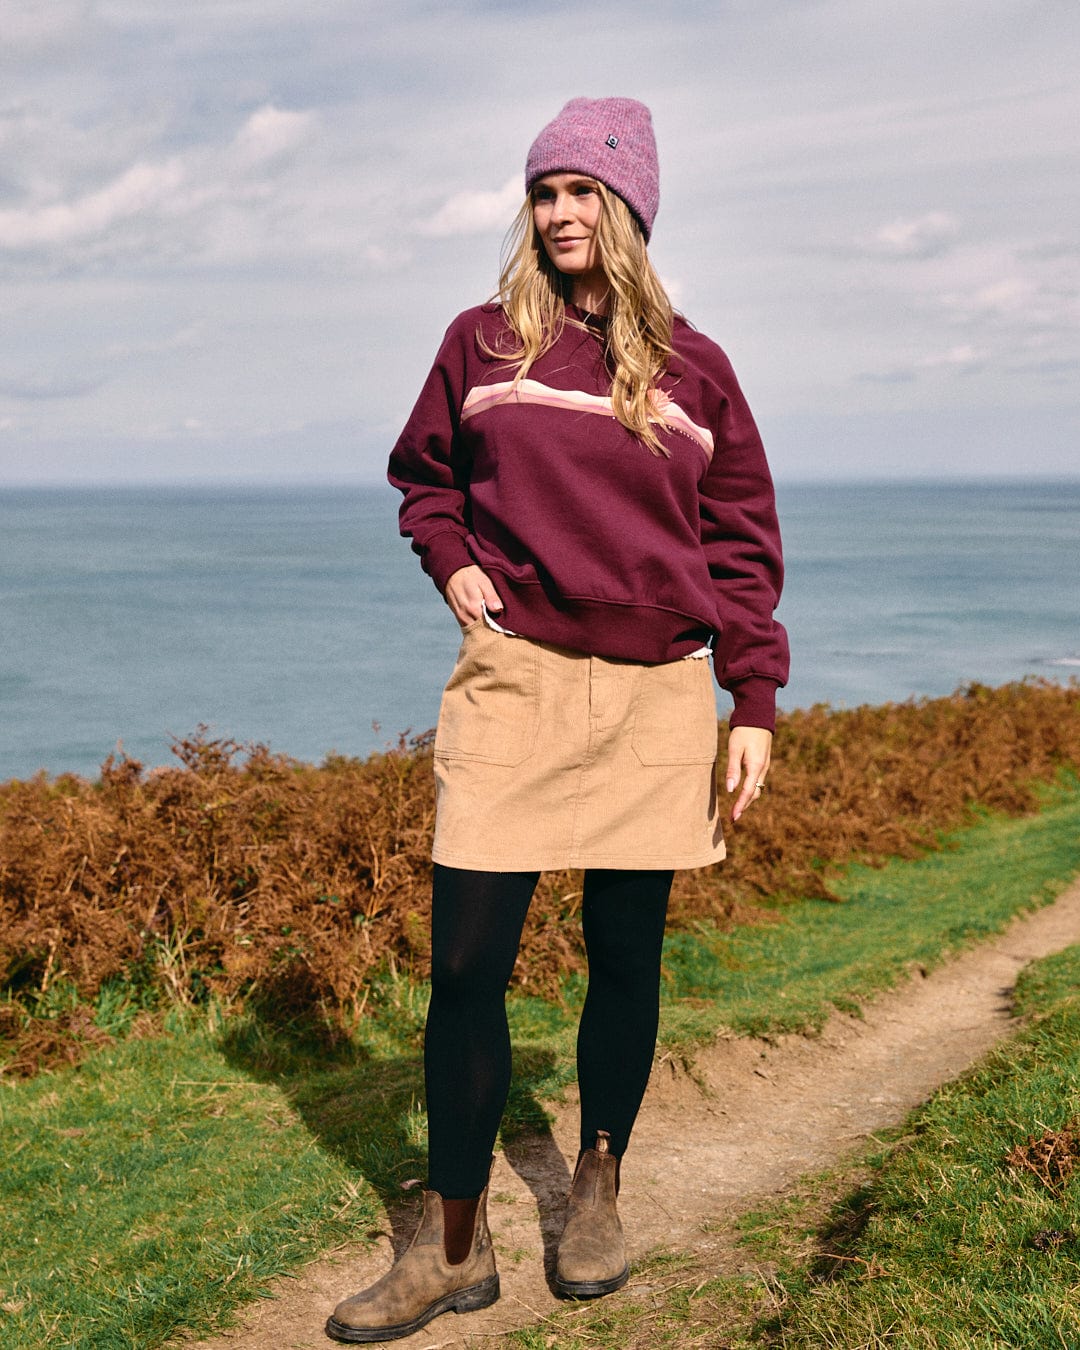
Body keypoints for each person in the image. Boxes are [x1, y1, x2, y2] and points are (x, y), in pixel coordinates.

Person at [327, 95, 788, 1344]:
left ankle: (597, 1185)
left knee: (624, 956)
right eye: (545, 192)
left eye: (585, 191)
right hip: (516, 680)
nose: (562, 212)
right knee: (467, 966)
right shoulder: (481, 344)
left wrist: (754, 697)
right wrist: (450, 558)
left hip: (657, 695)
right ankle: (452, 1249)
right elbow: (424, 477)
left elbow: (740, 543)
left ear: (630, 207)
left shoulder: (697, 368)